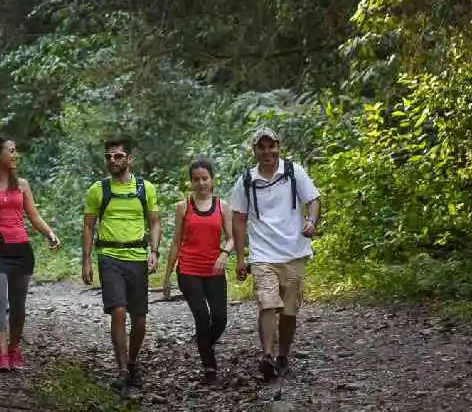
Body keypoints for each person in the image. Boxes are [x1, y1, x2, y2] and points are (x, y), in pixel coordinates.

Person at [0, 137, 61, 372]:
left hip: (20, 250)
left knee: (18, 307)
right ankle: (2, 356)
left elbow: (33, 216)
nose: (16, 155)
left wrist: (50, 233)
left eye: (16, 151)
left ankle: (14, 349)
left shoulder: (22, 185)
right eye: (12, 151)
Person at [229, 127, 321, 380]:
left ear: (278, 147)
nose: (267, 152)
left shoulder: (293, 172)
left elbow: (313, 199)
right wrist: (240, 257)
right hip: (263, 254)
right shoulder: (246, 181)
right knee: (267, 304)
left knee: (290, 310)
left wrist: (311, 221)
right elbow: (238, 219)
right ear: (255, 151)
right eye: (262, 147)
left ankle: (283, 356)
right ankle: (266, 356)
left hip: (295, 252)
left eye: (271, 146)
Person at [82, 136, 162, 390]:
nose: (112, 161)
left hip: (137, 257)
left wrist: (155, 250)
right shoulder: (99, 189)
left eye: (118, 156)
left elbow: (155, 222)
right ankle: (122, 369)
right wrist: (86, 261)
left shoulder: (144, 188)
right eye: (109, 157)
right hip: (109, 256)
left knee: (139, 317)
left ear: (129, 159)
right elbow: (88, 226)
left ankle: (133, 361)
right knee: (117, 311)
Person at [162, 157, 235, 382]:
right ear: (191, 182)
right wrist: (166, 276)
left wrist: (224, 253)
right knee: (202, 316)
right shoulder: (183, 207)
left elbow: (232, 238)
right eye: (196, 180)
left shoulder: (222, 206)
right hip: (188, 269)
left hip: (214, 269)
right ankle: (209, 367)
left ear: (212, 180)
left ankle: (203, 345)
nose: (201, 183)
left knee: (220, 319)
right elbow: (176, 242)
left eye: (205, 178)